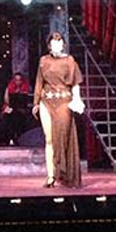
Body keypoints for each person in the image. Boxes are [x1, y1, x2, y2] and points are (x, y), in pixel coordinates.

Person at [32, 32, 85, 188]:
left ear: (63, 45)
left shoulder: (70, 61)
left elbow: (75, 84)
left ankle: (64, 172)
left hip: (64, 102)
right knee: (49, 139)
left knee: (62, 138)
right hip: (46, 101)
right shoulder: (43, 60)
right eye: (54, 43)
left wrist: (77, 99)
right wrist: (36, 102)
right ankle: (51, 176)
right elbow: (39, 82)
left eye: (59, 42)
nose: (56, 45)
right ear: (49, 45)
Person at [0, 72, 31, 146]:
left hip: (22, 110)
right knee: (8, 118)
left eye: (19, 80)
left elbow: (28, 101)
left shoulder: (26, 87)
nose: (18, 82)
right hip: (12, 109)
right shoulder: (9, 87)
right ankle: (10, 138)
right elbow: (6, 101)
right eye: (16, 80)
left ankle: (20, 138)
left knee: (20, 118)